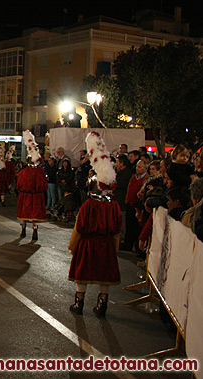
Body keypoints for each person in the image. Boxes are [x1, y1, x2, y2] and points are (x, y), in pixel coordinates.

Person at [68, 132, 122, 318]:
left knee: (82, 274)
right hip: (106, 244)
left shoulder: (89, 204)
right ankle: (102, 306)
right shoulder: (113, 205)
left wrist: (73, 245)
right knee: (104, 276)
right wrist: (115, 247)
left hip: (88, 243)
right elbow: (117, 229)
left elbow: (80, 226)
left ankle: (78, 304)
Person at [17, 130, 48, 241]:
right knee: (34, 215)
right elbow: (44, 185)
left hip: (26, 196)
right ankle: (35, 231)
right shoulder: (40, 171)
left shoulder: (25, 171)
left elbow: (19, 184)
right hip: (36, 196)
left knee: (25, 214)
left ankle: (23, 230)